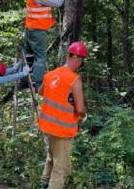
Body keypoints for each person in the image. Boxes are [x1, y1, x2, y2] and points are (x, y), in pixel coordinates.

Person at [38, 41, 87, 189]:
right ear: (78, 59)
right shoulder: (74, 80)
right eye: (82, 60)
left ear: (68, 55)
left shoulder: (50, 75)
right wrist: (84, 114)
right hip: (63, 129)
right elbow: (79, 109)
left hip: (47, 125)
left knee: (52, 157)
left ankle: (43, 183)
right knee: (60, 167)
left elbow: (41, 91)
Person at [23, 0, 76, 91]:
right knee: (40, 57)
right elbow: (57, 2)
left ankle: (24, 79)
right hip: (37, 30)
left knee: (29, 56)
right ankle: (37, 83)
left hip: (30, 29)